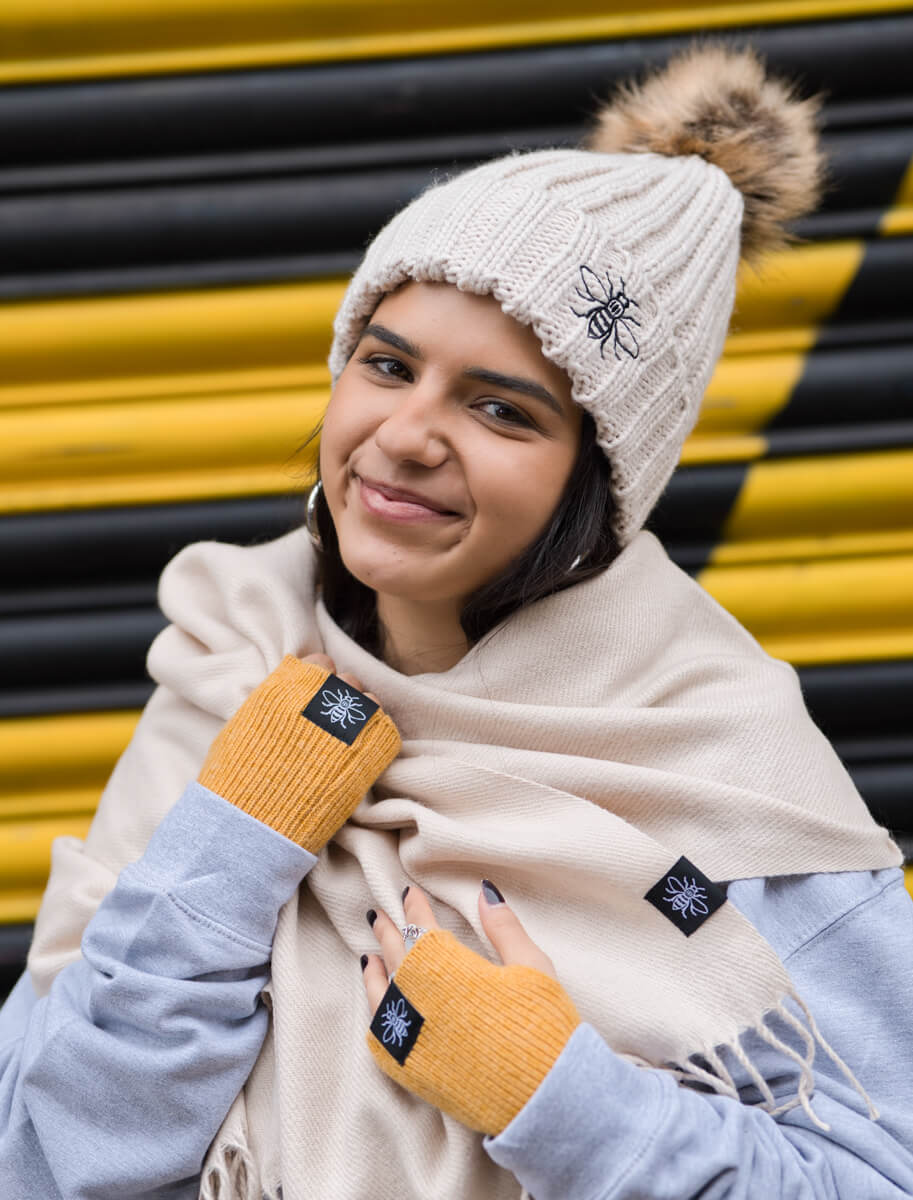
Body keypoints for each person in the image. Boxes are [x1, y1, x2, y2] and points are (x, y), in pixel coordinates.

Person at [2, 42, 913, 1200]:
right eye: (388, 365)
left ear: (600, 478)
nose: (409, 434)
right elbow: (44, 1157)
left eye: (499, 408)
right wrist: (237, 843)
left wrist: (559, 1099)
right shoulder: (234, 672)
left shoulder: (727, 788)